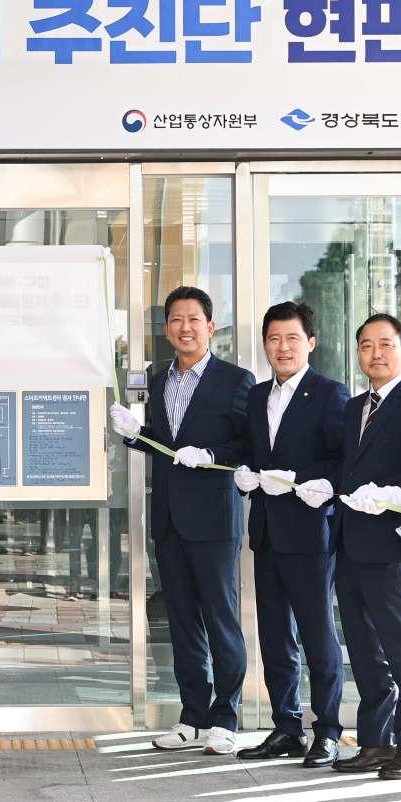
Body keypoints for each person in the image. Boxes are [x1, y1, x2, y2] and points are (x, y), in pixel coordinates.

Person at [108, 286, 254, 755]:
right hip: (170, 520)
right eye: (176, 319)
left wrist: (211, 455)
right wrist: (135, 435)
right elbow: (162, 443)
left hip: (214, 520)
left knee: (221, 620)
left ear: (210, 327)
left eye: (193, 319)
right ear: (166, 329)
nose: (185, 327)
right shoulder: (157, 381)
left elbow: (247, 445)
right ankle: (192, 716)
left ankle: (225, 717)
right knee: (182, 622)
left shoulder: (236, 380)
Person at [233, 300, 348, 768]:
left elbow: (342, 461)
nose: (282, 347)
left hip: (310, 534)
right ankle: (286, 726)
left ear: (311, 343)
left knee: (318, 636)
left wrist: (305, 480)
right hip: (267, 532)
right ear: (265, 345)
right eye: (274, 339)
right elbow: (250, 451)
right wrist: (244, 472)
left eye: (292, 338)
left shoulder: (330, 393)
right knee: (275, 634)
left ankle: (329, 730)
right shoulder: (257, 395)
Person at [331, 314, 401, 780]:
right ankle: (376, 741)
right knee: (364, 649)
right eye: (366, 345)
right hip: (350, 543)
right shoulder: (353, 407)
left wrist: (397, 494)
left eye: (385, 344)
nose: (376, 353)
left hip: (391, 544)